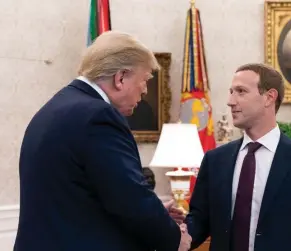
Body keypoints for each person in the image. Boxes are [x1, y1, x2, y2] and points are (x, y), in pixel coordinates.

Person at [14, 31, 191, 251]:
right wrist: (174, 239)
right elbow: (130, 201)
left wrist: (155, 212)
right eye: (144, 80)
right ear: (121, 77)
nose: (145, 90)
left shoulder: (56, 107)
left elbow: (81, 196)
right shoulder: (99, 116)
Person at [185, 63, 291, 251]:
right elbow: (199, 221)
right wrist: (171, 233)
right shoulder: (215, 160)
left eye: (241, 91)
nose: (230, 101)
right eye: (231, 91)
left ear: (269, 97)